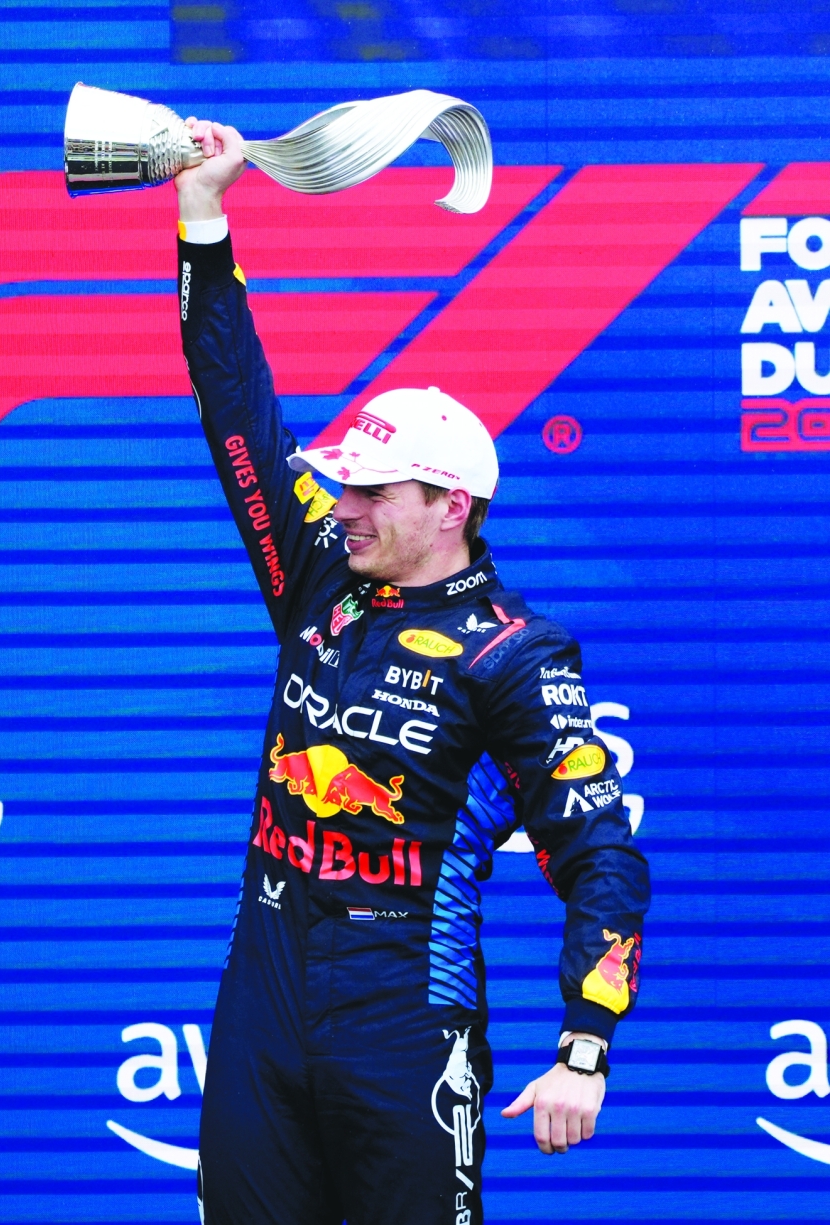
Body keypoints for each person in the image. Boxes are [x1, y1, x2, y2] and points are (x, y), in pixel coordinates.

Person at [173, 117, 650, 1225]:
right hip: (267, 981)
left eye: (372, 494)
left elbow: (601, 857)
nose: (343, 507)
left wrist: (584, 1044)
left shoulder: (516, 657)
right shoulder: (317, 573)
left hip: (406, 1013)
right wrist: (203, 217)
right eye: (344, 485)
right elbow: (237, 413)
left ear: (451, 506)